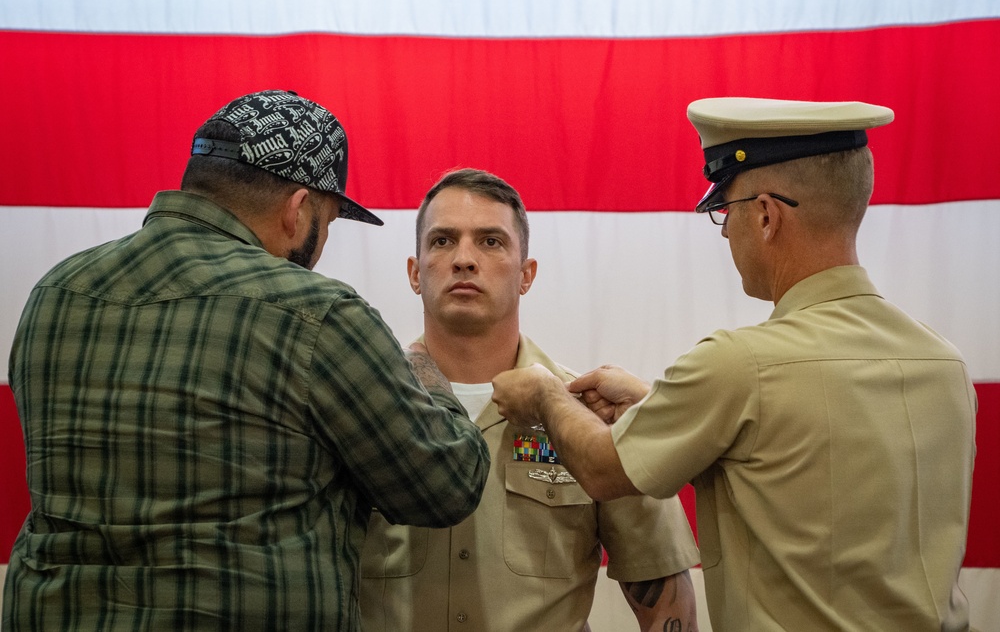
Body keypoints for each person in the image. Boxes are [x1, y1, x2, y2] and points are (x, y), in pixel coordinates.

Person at [3, 90, 490, 631]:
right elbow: (446, 484)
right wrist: (423, 368)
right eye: (326, 224)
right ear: (298, 208)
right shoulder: (315, 315)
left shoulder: (58, 291)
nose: (321, 243)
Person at [491, 98, 977, 631]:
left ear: (766, 215)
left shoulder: (740, 365)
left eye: (726, 210)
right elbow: (801, 459)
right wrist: (658, 405)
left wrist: (544, 392)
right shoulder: (943, 364)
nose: (724, 232)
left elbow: (604, 469)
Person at [359, 168, 700, 632]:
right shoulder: (359, 409)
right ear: (415, 274)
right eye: (442, 241)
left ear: (527, 275)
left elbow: (664, 600)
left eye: (490, 241)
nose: (464, 259)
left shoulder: (594, 415)